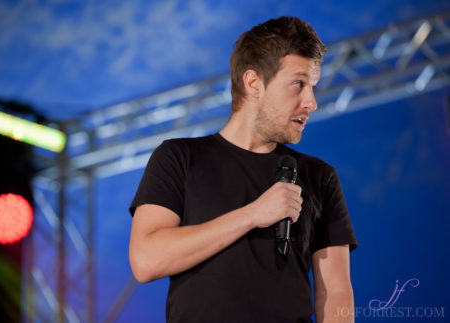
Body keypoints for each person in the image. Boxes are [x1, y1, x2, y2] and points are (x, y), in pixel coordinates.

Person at [128, 16, 358, 323]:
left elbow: (336, 293)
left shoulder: (319, 177)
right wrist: (253, 214)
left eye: (313, 87)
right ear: (254, 83)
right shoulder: (179, 157)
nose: (311, 102)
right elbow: (146, 260)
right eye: (299, 84)